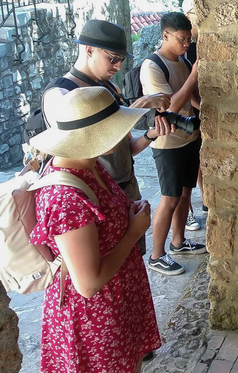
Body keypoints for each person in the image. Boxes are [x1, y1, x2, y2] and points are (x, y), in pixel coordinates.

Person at [29, 86, 161, 373]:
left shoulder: (90, 166)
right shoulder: (65, 199)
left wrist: (128, 214)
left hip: (117, 303)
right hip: (95, 319)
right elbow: (87, 285)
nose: (123, 132)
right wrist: (134, 232)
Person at [42, 19, 172, 203]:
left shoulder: (110, 90)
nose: (118, 67)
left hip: (127, 190)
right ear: (89, 50)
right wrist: (140, 105)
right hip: (95, 197)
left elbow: (122, 149)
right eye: (113, 58)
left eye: (121, 60)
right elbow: (90, 148)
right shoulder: (61, 95)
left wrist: (151, 134)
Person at [141, 12, 206, 276]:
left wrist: (203, 108)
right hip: (167, 143)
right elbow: (170, 106)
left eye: (189, 39)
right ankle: (157, 255)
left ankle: (178, 242)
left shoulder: (180, 60)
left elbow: (190, 99)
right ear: (165, 35)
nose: (186, 44)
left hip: (188, 137)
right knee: (169, 199)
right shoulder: (153, 66)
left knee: (185, 194)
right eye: (182, 39)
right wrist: (193, 76)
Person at [181, 0, 207, 233]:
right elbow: (184, 86)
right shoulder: (183, 49)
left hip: (199, 111)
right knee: (184, 169)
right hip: (190, 112)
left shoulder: (200, 43)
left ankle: (206, 198)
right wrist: (201, 107)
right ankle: (187, 214)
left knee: (199, 159)